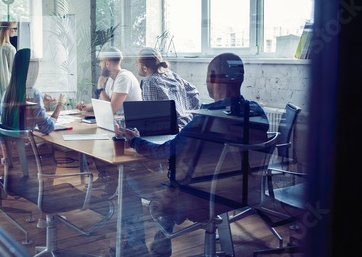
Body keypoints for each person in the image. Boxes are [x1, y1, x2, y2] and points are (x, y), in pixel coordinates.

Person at [112, 53, 269, 256]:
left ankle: (139, 248)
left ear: (212, 78)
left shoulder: (207, 120)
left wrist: (133, 139)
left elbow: (163, 152)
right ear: (240, 78)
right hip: (243, 193)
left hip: (201, 198)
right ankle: (161, 243)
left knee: (128, 178)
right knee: (178, 182)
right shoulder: (256, 112)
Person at [0, 48, 66, 229]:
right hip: (31, 155)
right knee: (52, 151)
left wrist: (41, 106)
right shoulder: (33, 93)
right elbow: (47, 127)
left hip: (16, 155)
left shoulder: (8, 92)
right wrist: (59, 105)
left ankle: (45, 212)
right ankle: (46, 216)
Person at [76, 47, 142, 192]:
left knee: (95, 137)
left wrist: (100, 88)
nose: (99, 66)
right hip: (117, 122)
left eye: (100, 62)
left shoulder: (124, 78)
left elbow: (110, 109)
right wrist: (86, 107)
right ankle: (106, 178)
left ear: (107, 63)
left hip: (129, 126)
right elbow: (105, 105)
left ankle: (111, 180)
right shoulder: (113, 79)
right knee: (92, 134)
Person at [136, 47, 200, 129]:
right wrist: (191, 115)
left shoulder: (150, 81)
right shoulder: (170, 74)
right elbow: (193, 92)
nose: (137, 66)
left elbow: (152, 117)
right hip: (186, 124)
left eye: (137, 64)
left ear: (144, 68)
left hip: (170, 129)